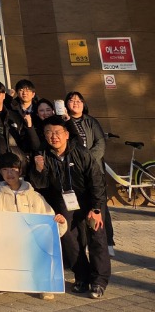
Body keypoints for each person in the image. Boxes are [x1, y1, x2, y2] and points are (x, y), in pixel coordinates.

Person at [28, 116, 110, 299]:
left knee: (96, 237)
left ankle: (99, 281)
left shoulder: (81, 153)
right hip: (64, 201)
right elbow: (40, 185)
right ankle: (82, 276)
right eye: (49, 132)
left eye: (57, 132)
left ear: (66, 134)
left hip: (90, 199)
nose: (53, 136)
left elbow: (97, 181)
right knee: (68, 236)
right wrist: (38, 170)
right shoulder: (43, 155)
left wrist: (96, 208)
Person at [0, 152, 66, 300]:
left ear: (19, 170)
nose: (9, 173)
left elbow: (48, 223)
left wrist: (60, 223)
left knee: (42, 247)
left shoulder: (34, 196)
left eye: (13, 169)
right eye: (5, 170)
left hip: (30, 243)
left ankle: (45, 284)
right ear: (0, 172)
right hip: (8, 243)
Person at [64, 91, 114, 255]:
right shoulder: (64, 122)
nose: (76, 103)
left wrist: (86, 160)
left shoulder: (91, 121)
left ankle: (106, 243)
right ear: (66, 104)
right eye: (72, 100)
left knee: (99, 206)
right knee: (79, 208)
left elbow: (100, 143)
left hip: (94, 170)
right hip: (75, 172)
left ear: (84, 104)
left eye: (79, 100)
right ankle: (83, 243)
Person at [0, 80, 39, 174]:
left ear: (4, 95)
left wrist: (29, 127)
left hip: (16, 164)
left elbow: (30, 143)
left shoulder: (14, 115)